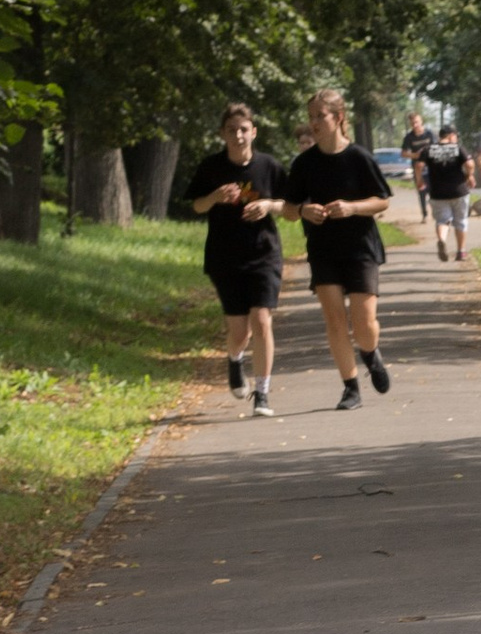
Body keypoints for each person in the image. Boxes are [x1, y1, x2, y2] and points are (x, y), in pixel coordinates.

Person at [282, 88, 394, 410]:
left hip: (360, 247)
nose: (314, 122)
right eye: (311, 117)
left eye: (321, 116)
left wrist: (351, 208)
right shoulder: (304, 164)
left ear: (338, 117)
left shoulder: (358, 157)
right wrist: (304, 211)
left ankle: (370, 353)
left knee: (364, 324)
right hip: (323, 249)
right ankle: (350, 388)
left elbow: (382, 200)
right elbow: (288, 209)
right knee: (334, 321)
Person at [180, 102, 283, 415]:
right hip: (225, 256)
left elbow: (289, 206)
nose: (238, 136)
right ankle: (235, 360)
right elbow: (196, 206)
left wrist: (267, 206)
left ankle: (262, 394)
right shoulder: (212, 167)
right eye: (231, 130)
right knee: (239, 332)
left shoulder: (269, 166)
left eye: (243, 130)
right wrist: (214, 197)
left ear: (254, 131)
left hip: (264, 253)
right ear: (222, 134)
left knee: (262, 321)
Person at [422, 125, 479, 259]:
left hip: (437, 192)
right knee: (461, 221)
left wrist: (419, 180)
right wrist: (470, 175)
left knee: (442, 220)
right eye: (455, 136)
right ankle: (461, 251)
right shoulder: (457, 148)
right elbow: (470, 164)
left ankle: (442, 239)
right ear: (450, 136)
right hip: (459, 191)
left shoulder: (429, 149)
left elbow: (419, 165)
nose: (456, 138)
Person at [401, 111, 433, 226]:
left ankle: (435, 211)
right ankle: (424, 214)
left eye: (416, 122)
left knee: (433, 190)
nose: (415, 125)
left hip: (431, 167)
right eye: (412, 123)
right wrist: (415, 155)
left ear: (421, 121)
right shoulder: (409, 137)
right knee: (421, 191)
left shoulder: (429, 134)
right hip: (417, 168)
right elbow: (403, 153)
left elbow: (435, 147)